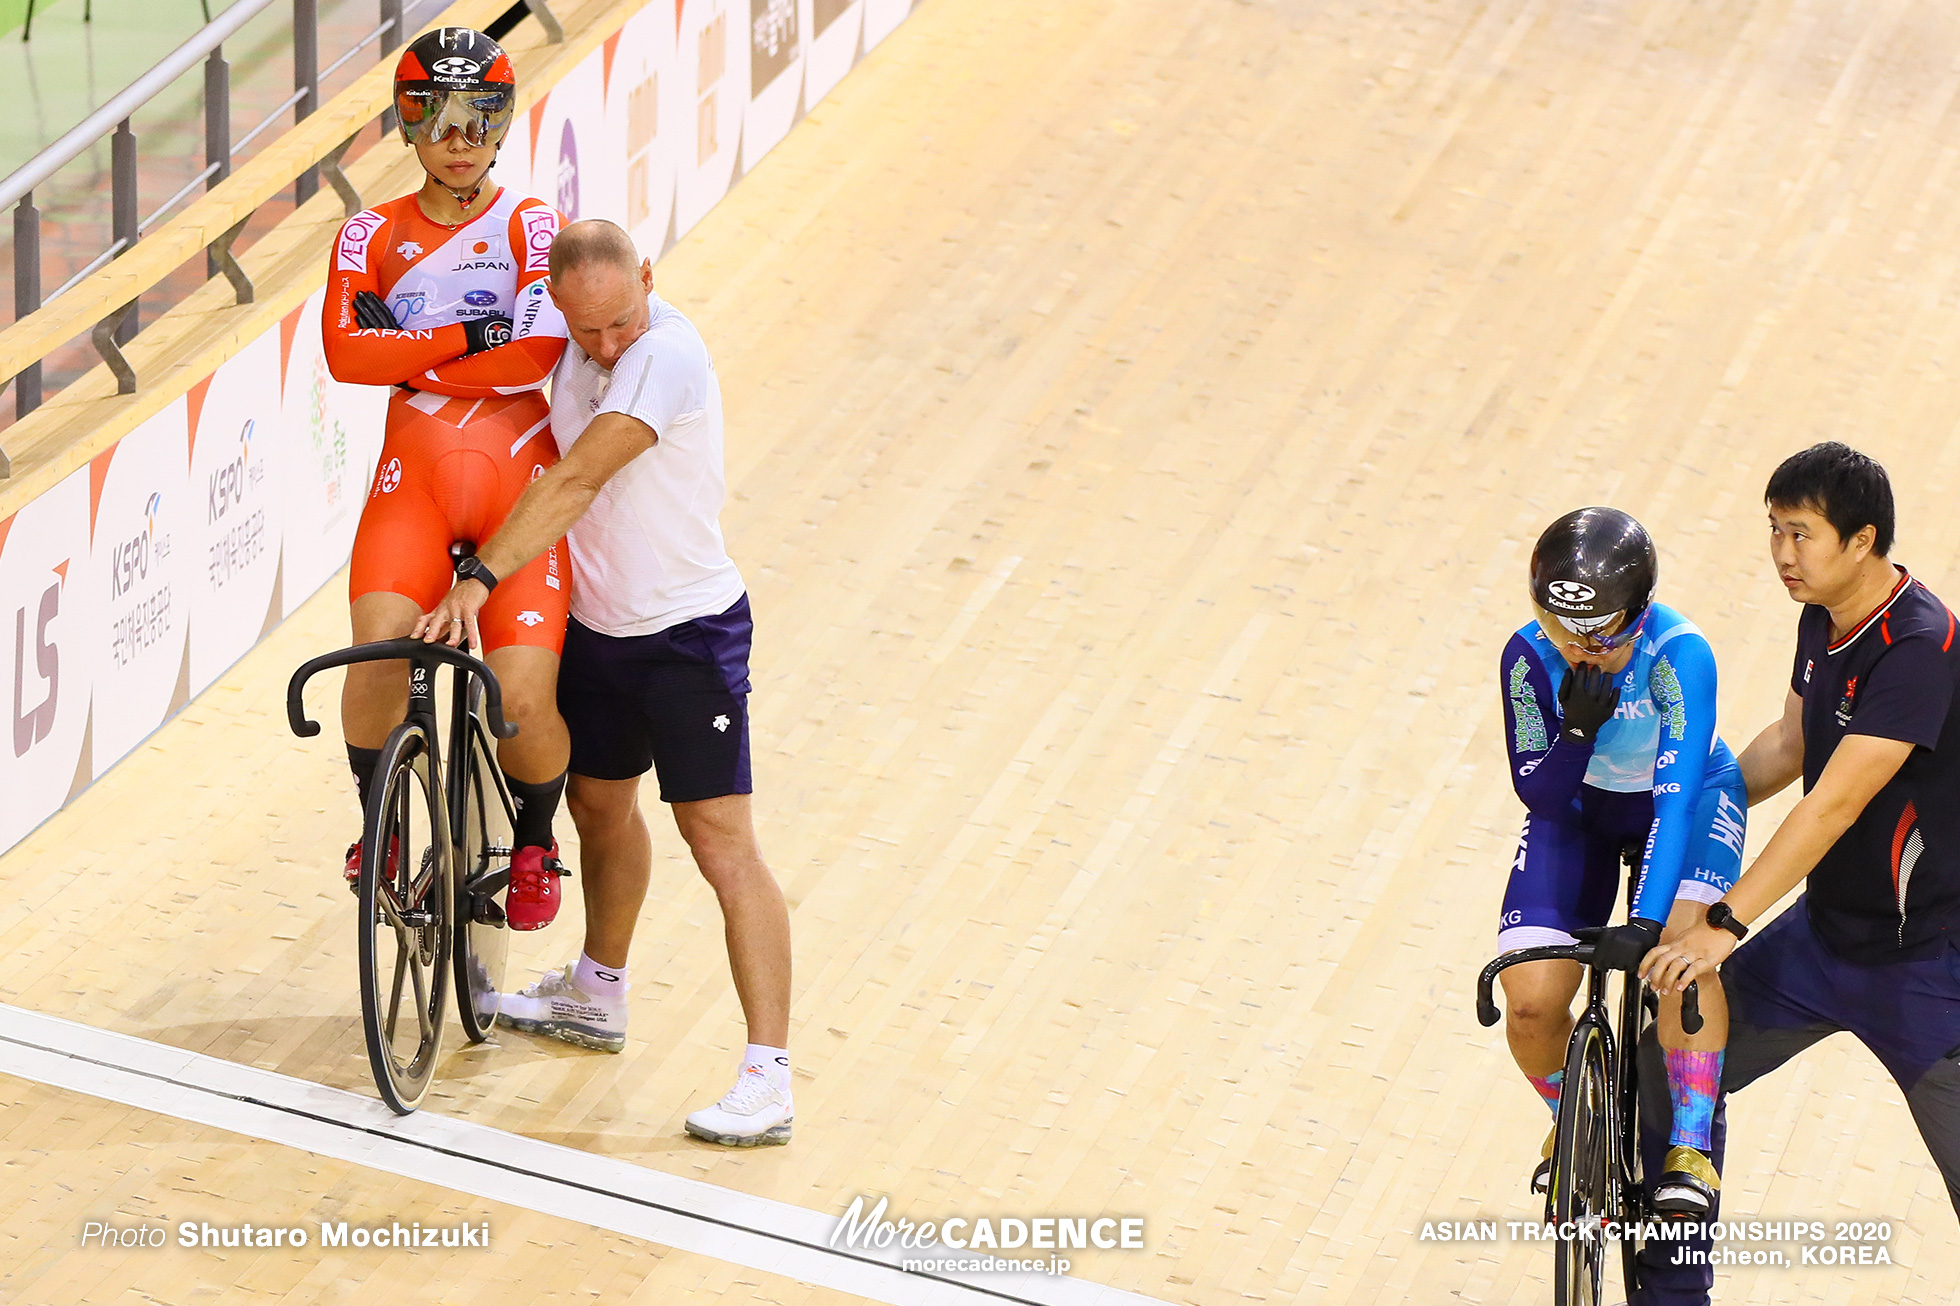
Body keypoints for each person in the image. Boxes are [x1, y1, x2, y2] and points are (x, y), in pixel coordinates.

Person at [411, 219, 795, 1147]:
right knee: (599, 807)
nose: (605, 347)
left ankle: (768, 1076)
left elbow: (579, 478)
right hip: (600, 631)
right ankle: (598, 992)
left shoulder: (667, 355)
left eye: (619, 323)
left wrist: (481, 577)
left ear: (648, 284)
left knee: (720, 844)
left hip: (690, 636)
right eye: (587, 333)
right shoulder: (575, 347)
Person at [1639, 443, 1960, 1302]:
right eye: (1774, 531)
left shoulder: (1921, 647)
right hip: (1820, 943)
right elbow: (1790, 745)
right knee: (1662, 1082)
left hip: (1928, 969)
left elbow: (1832, 806)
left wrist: (1722, 923)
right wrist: (1685, 804)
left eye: (1802, 534)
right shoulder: (1822, 615)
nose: (1783, 554)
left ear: (1863, 540)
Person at [323, 27, 574, 929]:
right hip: (414, 484)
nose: (459, 134)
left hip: (517, 485)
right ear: (409, 122)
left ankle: (539, 840)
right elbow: (346, 355)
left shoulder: (531, 223)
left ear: (503, 126)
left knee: (526, 693)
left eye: (481, 117)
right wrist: (475, 337)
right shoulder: (367, 231)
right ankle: (379, 824)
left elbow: (539, 352)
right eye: (438, 114)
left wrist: (413, 354)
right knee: (377, 651)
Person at [1497, 507, 1744, 1217]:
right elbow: (1540, 793)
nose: (1580, 651)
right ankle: (1571, 1123)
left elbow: (1673, 803)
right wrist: (1576, 730)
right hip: (1578, 805)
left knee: (1678, 955)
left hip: (1685, 800)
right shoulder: (1527, 657)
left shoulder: (1678, 654)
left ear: (1638, 616)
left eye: (1602, 637)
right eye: (1561, 632)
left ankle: (1689, 1149)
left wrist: (1644, 921)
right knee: (1533, 1001)